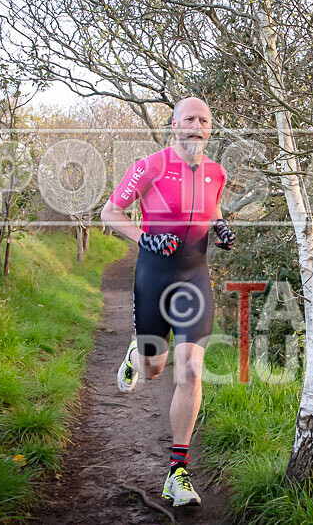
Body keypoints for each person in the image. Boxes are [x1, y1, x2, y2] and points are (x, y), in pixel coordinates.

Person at [100, 97, 235, 507]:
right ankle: (135, 356)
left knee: (191, 370)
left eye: (204, 120)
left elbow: (211, 206)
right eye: (189, 119)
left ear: (210, 128)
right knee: (153, 368)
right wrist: (146, 239)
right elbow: (110, 213)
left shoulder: (216, 172)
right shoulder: (149, 166)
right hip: (154, 277)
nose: (197, 126)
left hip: (195, 279)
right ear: (174, 125)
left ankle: (178, 472)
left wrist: (220, 226)